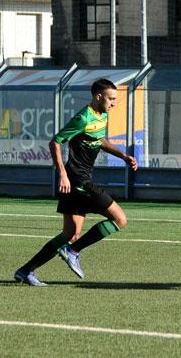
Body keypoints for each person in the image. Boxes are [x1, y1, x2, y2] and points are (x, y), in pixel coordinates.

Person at [14, 78, 138, 286]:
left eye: (115, 99)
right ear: (99, 97)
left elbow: (99, 139)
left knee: (70, 233)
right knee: (119, 219)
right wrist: (62, 173)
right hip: (77, 179)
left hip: (79, 179)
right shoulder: (83, 117)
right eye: (111, 99)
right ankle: (73, 251)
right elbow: (55, 141)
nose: (114, 103)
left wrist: (123, 156)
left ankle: (25, 271)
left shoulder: (101, 115)